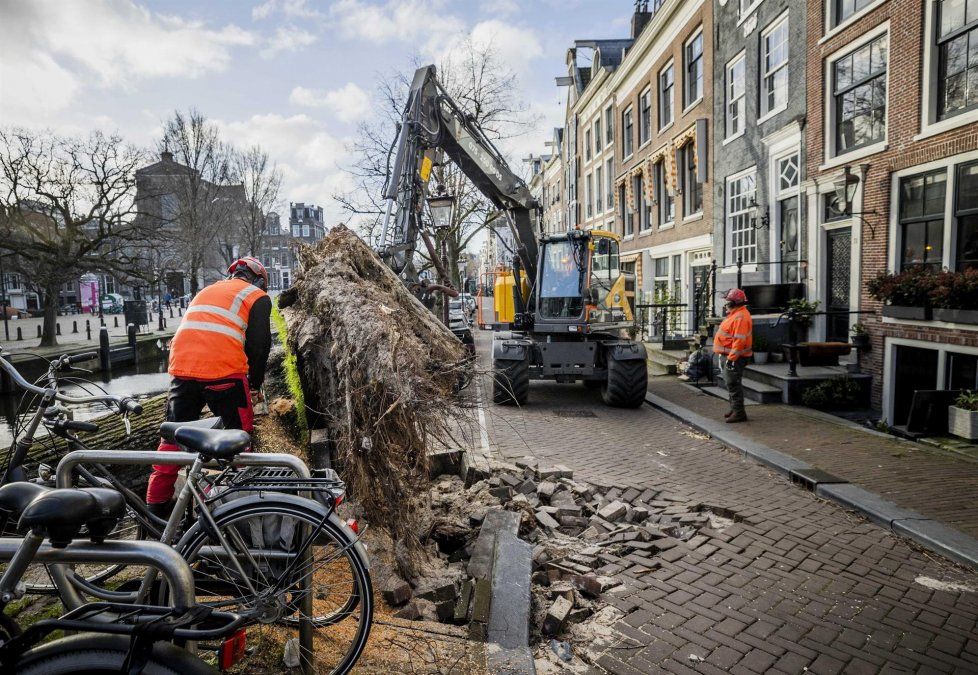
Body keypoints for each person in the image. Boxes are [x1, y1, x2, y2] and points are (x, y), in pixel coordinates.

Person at [145, 256, 273, 515]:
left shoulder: (207, 290)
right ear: (260, 281)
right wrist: (255, 385)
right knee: (240, 437)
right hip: (223, 370)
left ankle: (156, 504)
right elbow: (259, 346)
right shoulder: (256, 296)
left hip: (181, 367)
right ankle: (241, 502)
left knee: (172, 437)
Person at [713, 288, 753, 423]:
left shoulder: (740, 317)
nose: (725, 304)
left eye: (727, 301)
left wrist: (731, 359)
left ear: (734, 302)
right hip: (730, 355)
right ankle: (734, 408)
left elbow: (739, 340)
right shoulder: (735, 314)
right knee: (730, 383)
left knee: (733, 383)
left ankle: (739, 412)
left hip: (734, 357)